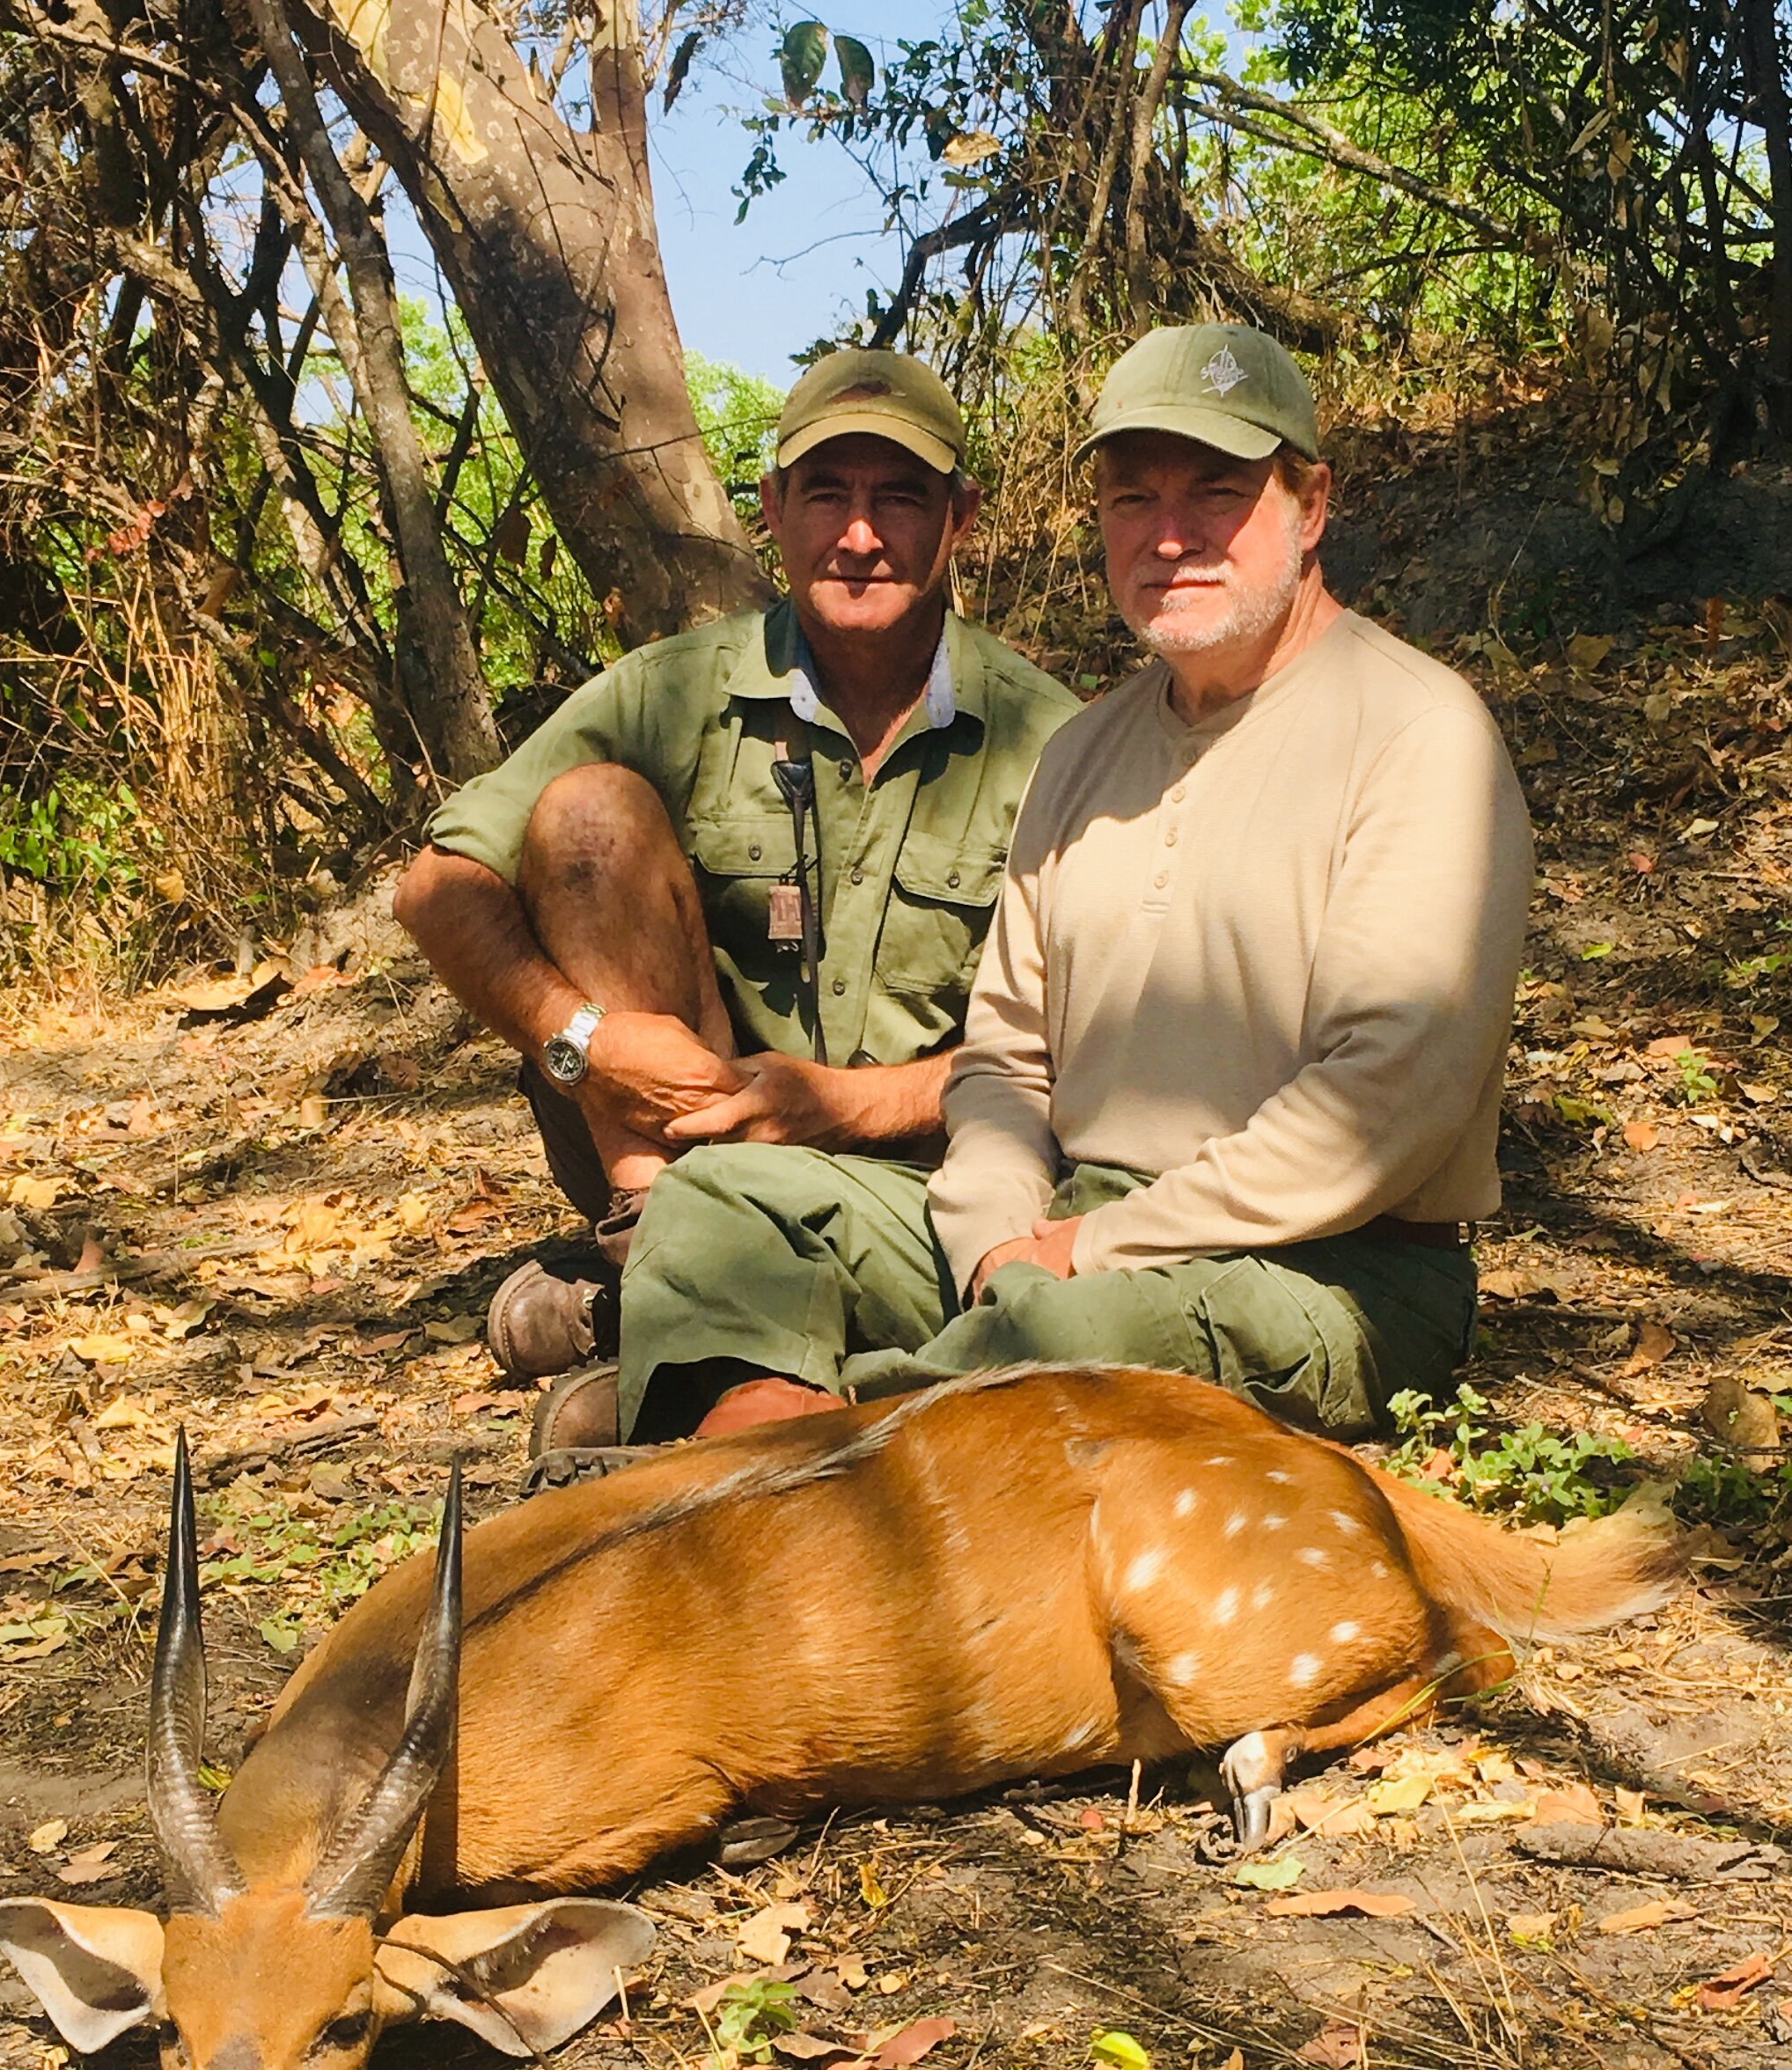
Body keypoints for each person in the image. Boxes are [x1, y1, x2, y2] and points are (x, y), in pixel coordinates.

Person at [597, 320, 1532, 1452]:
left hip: (1325, 1269)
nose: (1171, 537)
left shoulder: (1420, 737)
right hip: (1063, 1226)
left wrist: (1086, 1252)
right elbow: (1005, 1060)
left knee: (1053, 1338)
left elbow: (1383, 1109)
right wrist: (998, 1231)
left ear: (1311, 504)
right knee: (719, 1199)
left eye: (1219, 493)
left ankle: (761, 1455)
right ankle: (768, 1454)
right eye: (1133, 498)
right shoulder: (1083, 752)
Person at [393, 349, 1079, 1438]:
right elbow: (436, 887)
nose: (860, 536)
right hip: (666, 1147)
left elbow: (1082, 1045)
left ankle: (663, 1340)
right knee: (585, 815)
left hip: (919, 1172)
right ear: (771, 511)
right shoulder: (673, 689)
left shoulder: (1055, 739)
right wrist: (582, 1041)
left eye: (899, 498)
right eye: (827, 496)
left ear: (960, 518)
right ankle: (654, 1253)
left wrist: (846, 1104)